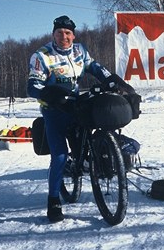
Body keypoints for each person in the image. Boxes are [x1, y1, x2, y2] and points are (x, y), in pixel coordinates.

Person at [27, 15, 133, 223]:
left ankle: (90, 164)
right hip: (54, 110)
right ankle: (53, 199)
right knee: (59, 156)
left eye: (67, 33)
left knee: (86, 145)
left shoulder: (79, 51)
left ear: (73, 35)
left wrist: (116, 82)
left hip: (75, 105)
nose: (63, 36)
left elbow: (95, 68)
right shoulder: (42, 56)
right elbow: (33, 86)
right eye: (59, 33)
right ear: (53, 34)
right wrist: (53, 96)